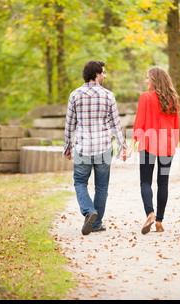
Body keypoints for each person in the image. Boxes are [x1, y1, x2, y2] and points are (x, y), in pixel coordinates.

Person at [64, 60, 127, 235]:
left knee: (80, 182)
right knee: (101, 187)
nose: (105, 76)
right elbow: (116, 124)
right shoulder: (108, 95)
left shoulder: (75, 95)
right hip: (104, 147)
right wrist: (123, 145)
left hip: (83, 147)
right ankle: (97, 222)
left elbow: (70, 124)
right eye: (104, 73)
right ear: (96, 74)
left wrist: (67, 146)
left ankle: (88, 211)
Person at [127, 66, 180, 234]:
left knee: (145, 181)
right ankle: (159, 221)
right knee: (163, 182)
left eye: (148, 78)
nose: (146, 81)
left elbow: (139, 123)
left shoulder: (145, 97)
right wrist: (173, 144)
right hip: (167, 144)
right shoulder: (173, 98)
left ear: (155, 80)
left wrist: (132, 145)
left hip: (148, 143)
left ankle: (150, 213)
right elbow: (176, 125)